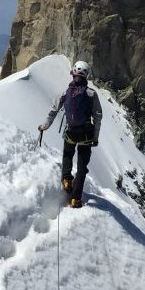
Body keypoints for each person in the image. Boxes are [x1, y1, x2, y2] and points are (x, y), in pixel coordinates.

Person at [39, 61, 102, 207]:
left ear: (73, 72)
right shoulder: (91, 94)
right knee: (82, 167)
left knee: (67, 155)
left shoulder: (65, 93)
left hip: (70, 133)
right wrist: (95, 137)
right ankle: (75, 199)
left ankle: (66, 179)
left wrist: (44, 126)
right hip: (86, 136)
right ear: (87, 75)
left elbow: (53, 111)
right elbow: (98, 116)